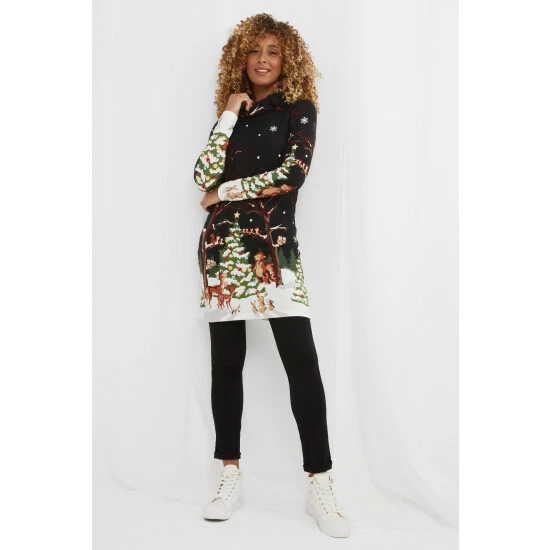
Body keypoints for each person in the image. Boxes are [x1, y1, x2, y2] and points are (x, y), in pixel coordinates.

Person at [193, 14, 351, 538]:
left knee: (302, 363)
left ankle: (320, 483)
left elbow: (292, 173)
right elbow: (200, 175)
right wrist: (226, 116)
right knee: (226, 365)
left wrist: (226, 192)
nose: (263, 59)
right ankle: (229, 475)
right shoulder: (232, 115)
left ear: (287, 61)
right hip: (222, 253)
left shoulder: (298, 109)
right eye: (255, 50)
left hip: (274, 250)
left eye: (274, 51)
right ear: (242, 57)